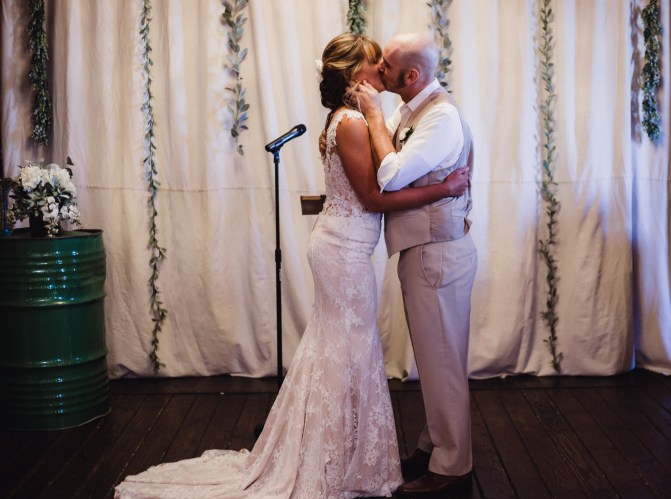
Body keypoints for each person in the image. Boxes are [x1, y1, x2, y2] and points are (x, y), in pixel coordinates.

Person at [114, 33, 468, 499]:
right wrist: (444, 190)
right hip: (344, 250)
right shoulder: (354, 123)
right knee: (348, 347)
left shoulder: (361, 118)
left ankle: (334, 451)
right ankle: (333, 456)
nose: (381, 69)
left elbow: (375, 180)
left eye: (386, 64)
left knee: (340, 347)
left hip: (347, 245)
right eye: (374, 62)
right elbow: (375, 194)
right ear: (354, 74)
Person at [350, 32, 477, 497]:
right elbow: (384, 157)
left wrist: (371, 115)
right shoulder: (412, 109)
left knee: (443, 361)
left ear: (411, 75)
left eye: (385, 65)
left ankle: (452, 467)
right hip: (425, 251)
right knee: (435, 359)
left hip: (436, 253)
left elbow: (390, 174)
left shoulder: (440, 117)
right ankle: (432, 448)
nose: (378, 70)